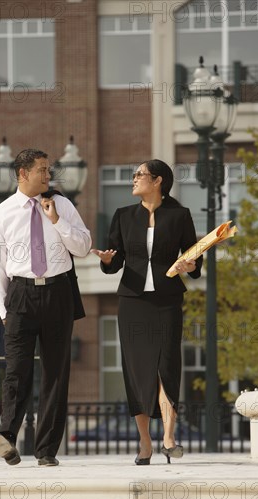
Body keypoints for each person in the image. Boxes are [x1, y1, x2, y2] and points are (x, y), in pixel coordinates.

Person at [91, 159, 202, 465]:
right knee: (138, 372)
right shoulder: (123, 216)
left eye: (140, 175)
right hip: (132, 302)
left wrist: (189, 264)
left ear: (158, 181)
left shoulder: (179, 215)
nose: (134, 179)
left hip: (167, 302)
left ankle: (168, 437)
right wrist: (107, 258)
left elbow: (194, 260)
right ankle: (145, 443)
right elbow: (113, 265)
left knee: (166, 365)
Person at [0, 148, 91, 466]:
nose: (49, 176)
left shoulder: (62, 204)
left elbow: (83, 247)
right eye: (43, 170)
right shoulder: (1, 214)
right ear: (23, 174)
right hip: (20, 296)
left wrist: (56, 220)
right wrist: (3, 310)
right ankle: (6, 436)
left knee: (56, 374)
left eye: (49, 170)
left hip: (58, 293)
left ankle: (46, 450)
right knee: (17, 370)